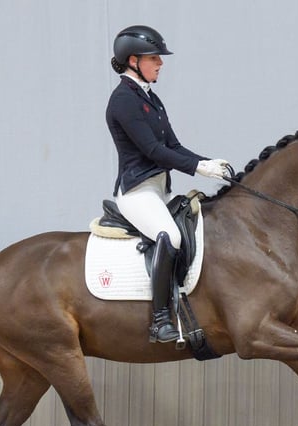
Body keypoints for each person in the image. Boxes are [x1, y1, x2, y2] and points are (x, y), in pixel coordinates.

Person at [106, 24, 230, 344]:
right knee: (170, 236)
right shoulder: (123, 100)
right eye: (154, 58)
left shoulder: (151, 99)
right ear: (133, 61)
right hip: (137, 191)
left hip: (160, 189)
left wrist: (210, 163)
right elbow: (152, 151)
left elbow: (173, 146)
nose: (161, 63)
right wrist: (199, 168)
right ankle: (159, 320)